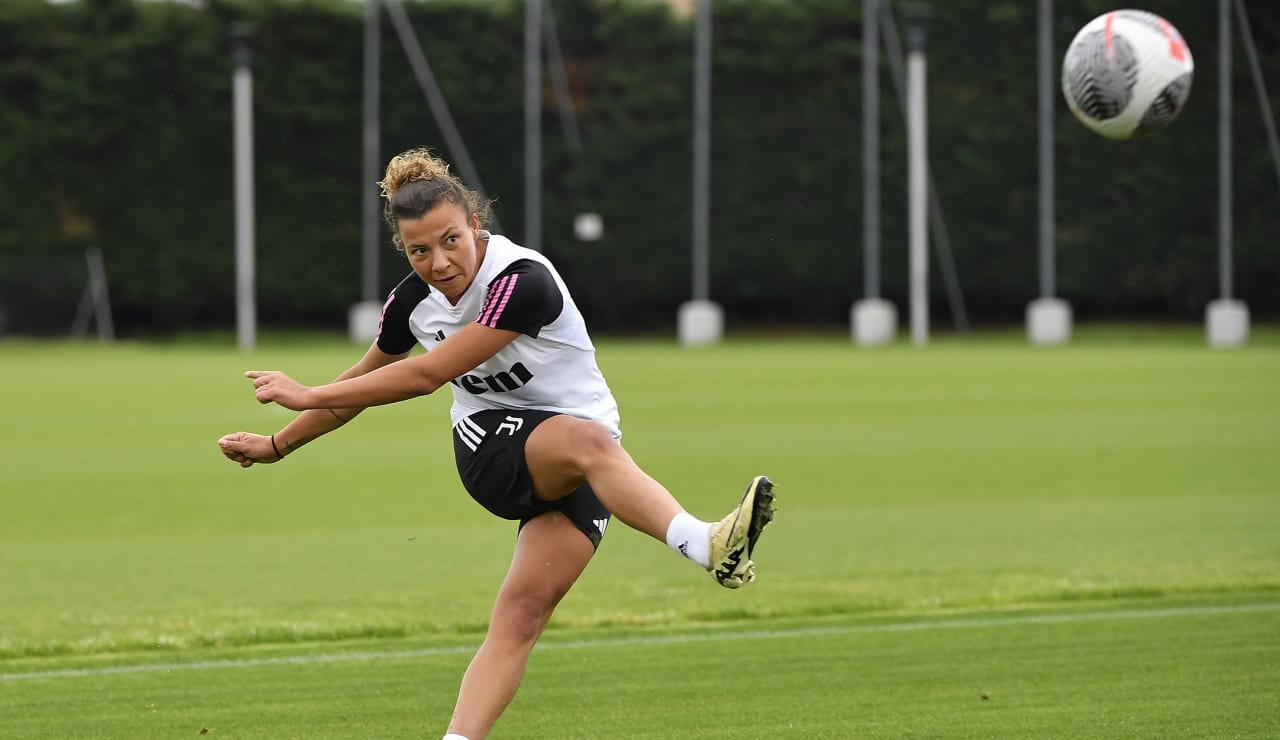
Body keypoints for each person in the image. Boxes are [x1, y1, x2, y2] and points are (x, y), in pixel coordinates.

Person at [217, 147, 775, 740]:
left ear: (476, 226)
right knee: (588, 444)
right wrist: (280, 443)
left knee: (521, 618)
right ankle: (706, 545)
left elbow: (428, 374)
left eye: (450, 240)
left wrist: (304, 394)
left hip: (582, 462)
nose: (439, 261)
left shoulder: (520, 281)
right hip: (492, 453)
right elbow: (361, 385)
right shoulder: (410, 303)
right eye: (419, 251)